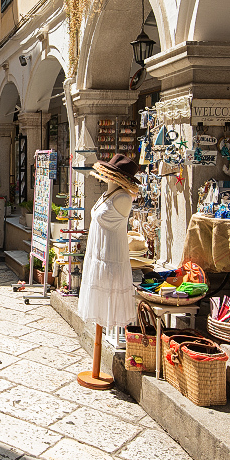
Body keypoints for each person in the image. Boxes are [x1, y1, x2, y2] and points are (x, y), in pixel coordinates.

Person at [77, 153, 143, 389]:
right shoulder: (108, 194)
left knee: (107, 298)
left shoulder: (123, 198)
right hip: (97, 256)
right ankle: (94, 366)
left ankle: (99, 370)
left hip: (111, 258)